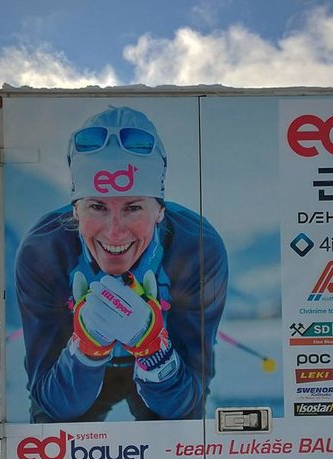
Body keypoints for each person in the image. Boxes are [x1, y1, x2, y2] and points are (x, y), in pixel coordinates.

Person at [15, 106, 228, 423]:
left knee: (180, 443)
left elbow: (184, 404)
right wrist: (87, 347)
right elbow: (53, 403)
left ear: (160, 211)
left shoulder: (198, 247)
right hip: (77, 374)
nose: (114, 232)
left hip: (160, 373)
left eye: (133, 207)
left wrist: (153, 349)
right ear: (76, 210)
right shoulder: (43, 252)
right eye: (98, 207)